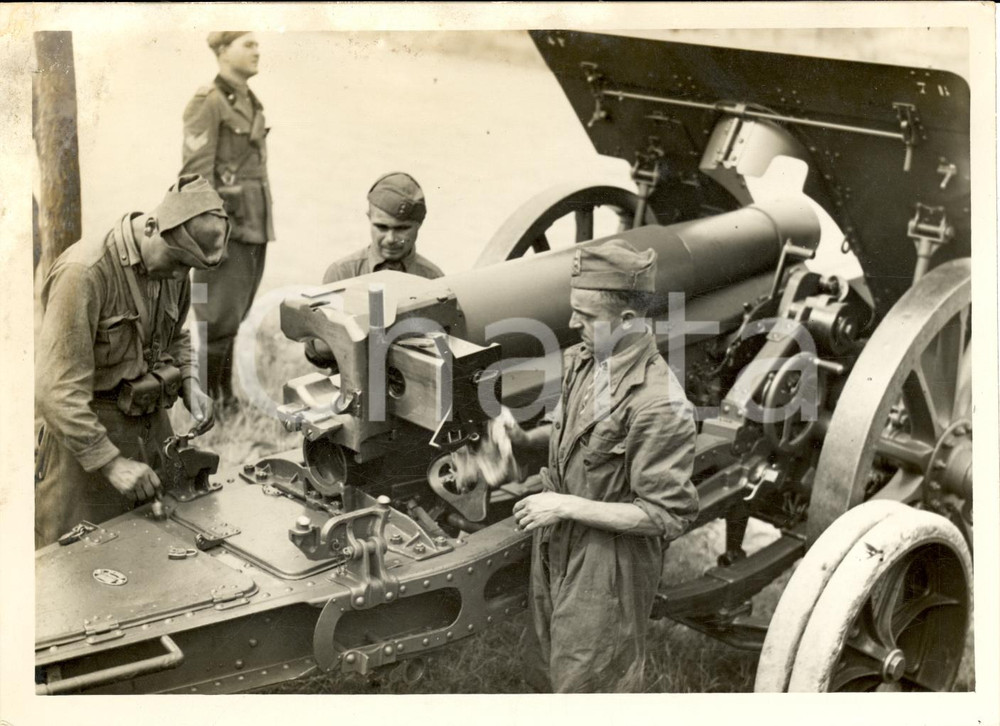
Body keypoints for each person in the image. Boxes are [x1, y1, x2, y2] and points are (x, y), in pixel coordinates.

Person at [505, 238, 699, 692]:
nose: (573, 323)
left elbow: (665, 515)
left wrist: (564, 507)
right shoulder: (586, 361)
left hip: (609, 563)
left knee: (589, 682)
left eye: (587, 316)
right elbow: (571, 439)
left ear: (628, 320)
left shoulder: (659, 404)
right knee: (546, 667)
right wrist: (521, 442)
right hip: (559, 540)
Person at [34, 175, 229, 549]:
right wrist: (111, 463)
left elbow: (176, 334)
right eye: (175, 262)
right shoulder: (85, 273)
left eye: (188, 268)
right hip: (84, 447)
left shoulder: (175, 266)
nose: (178, 276)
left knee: (161, 553)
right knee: (80, 570)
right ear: (152, 226)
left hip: (151, 432)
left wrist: (191, 382)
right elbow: (56, 392)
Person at [180, 31, 274, 412]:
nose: (256, 50)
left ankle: (225, 396)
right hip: (225, 232)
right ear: (222, 51)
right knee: (215, 319)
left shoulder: (250, 103)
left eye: (256, 44)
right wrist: (209, 239)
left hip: (253, 227)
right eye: (246, 44)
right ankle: (209, 403)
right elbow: (195, 179)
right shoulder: (209, 102)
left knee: (233, 316)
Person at [304, 172, 444, 367]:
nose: (391, 239)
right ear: (369, 218)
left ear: (419, 224)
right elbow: (317, 354)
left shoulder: (433, 279)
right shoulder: (342, 273)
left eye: (402, 228)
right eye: (381, 227)